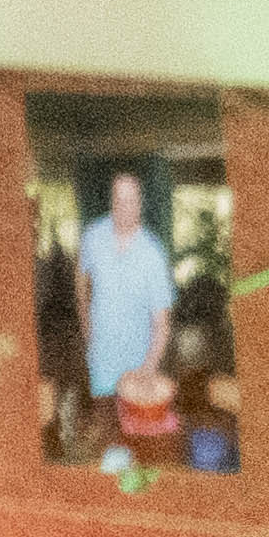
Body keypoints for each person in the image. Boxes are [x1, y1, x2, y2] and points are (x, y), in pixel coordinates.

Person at [85, 168, 183, 454]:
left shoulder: (153, 254)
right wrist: (87, 330)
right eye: (118, 199)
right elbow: (83, 283)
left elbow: (162, 324)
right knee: (108, 446)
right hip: (101, 368)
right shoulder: (93, 236)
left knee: (139, 449)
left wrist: (146, 371)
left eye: (130, 200)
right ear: (111, 201)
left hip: (137, 369)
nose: (123, 207)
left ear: (140, 204)